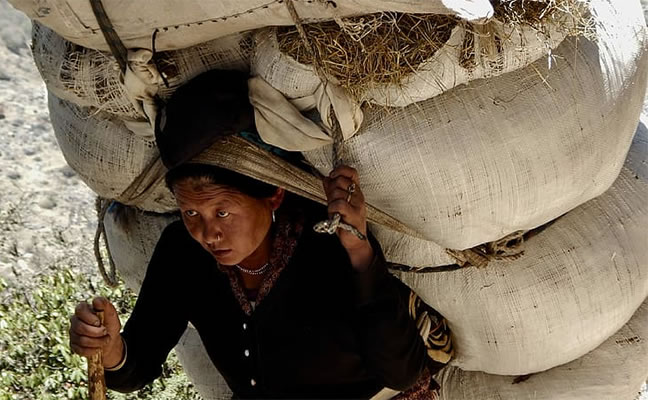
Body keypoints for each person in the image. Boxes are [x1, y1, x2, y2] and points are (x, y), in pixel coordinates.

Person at [69, 70, 442, 399]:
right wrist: (112, 348)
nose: (208, 233)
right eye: (191, 213)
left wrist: (360, 255)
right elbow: (137, 365)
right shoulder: (182, 253)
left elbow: (402, 371)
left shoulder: (325, 243)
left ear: (273, 193)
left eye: (224, 211)